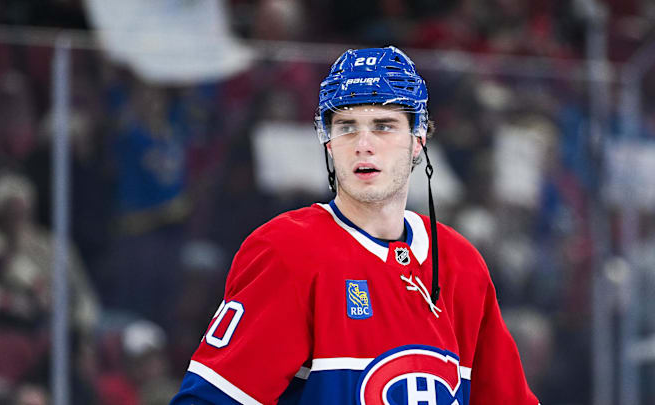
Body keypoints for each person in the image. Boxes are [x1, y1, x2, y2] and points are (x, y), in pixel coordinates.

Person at [170, 46, 539, 404]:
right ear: (328, 142)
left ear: (418, 140)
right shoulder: (289, 251)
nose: (363, 144)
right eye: (346, 126)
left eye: (383, 126)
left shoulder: (461, 263)